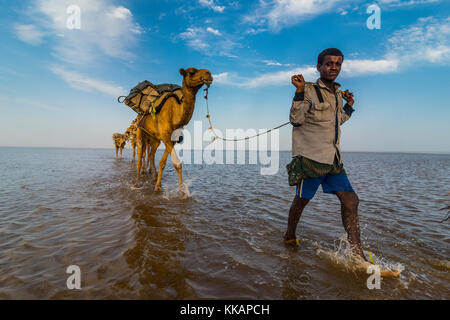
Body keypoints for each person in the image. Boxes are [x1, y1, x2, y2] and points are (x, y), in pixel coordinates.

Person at [285, 48, 367, 261]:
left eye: (337, 64)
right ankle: (289, 235)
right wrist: (300, 91)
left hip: (333, 161)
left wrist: (349, 106)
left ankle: (357, 252)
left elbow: (338, 120)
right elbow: (296, 119)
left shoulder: (339, 95)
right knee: (301, 201)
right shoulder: (310, 91)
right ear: (319, 67)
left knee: (351, 201)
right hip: (311, 159)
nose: (334, 67)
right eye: (329, 63)